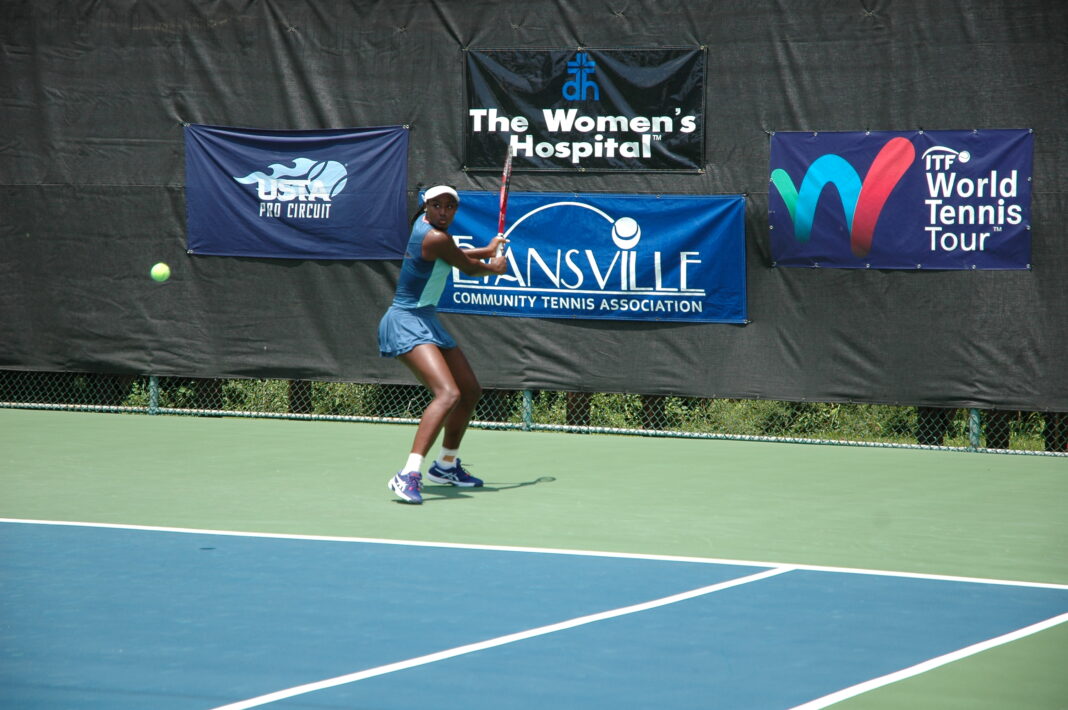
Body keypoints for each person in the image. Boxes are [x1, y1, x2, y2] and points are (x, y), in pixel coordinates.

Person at [379, 185, 508, 504]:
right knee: (448, 394)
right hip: (406, 320)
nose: (443, 211)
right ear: (426, 207)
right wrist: (493, 266)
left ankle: (445, 466)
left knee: (470, 390)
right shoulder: (434, 236)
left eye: (450, 206)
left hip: (427, 318)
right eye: (437, 205)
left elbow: (457, 256)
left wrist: (488, 249)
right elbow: (468, 267)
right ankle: (408, 473)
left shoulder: (435, 235)